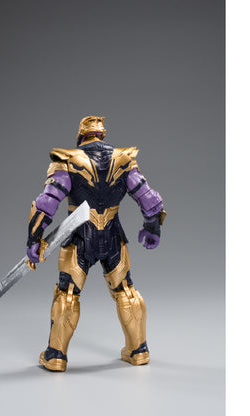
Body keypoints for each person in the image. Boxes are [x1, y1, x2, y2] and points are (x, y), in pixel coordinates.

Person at [26, 116, 166, 371]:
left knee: (68, 294)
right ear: (102, 135)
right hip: (113, 236)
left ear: (81, 136)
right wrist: (152, 228)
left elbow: (47, 203)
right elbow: (150, 200)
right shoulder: (124, 160)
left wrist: (34, 238)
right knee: (126, 291)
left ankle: (56, 355)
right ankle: (138, 350)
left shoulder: (68, 161)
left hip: (79, 238)